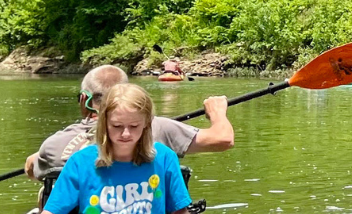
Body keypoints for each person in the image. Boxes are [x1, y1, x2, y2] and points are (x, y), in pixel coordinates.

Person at [17, 84, 223, 214]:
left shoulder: (165, 158)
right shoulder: (81, 161)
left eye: (134, 126)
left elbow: (180, 211)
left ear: (146, 124)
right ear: (104, 123)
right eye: (117, 126)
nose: (125, 133)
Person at [25, 66, 235, 186]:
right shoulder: (158, 128)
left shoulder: (52, 145)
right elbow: (223, 139)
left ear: (83, 100)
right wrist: (217, 112)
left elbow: (32, 169)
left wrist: (39, 156)